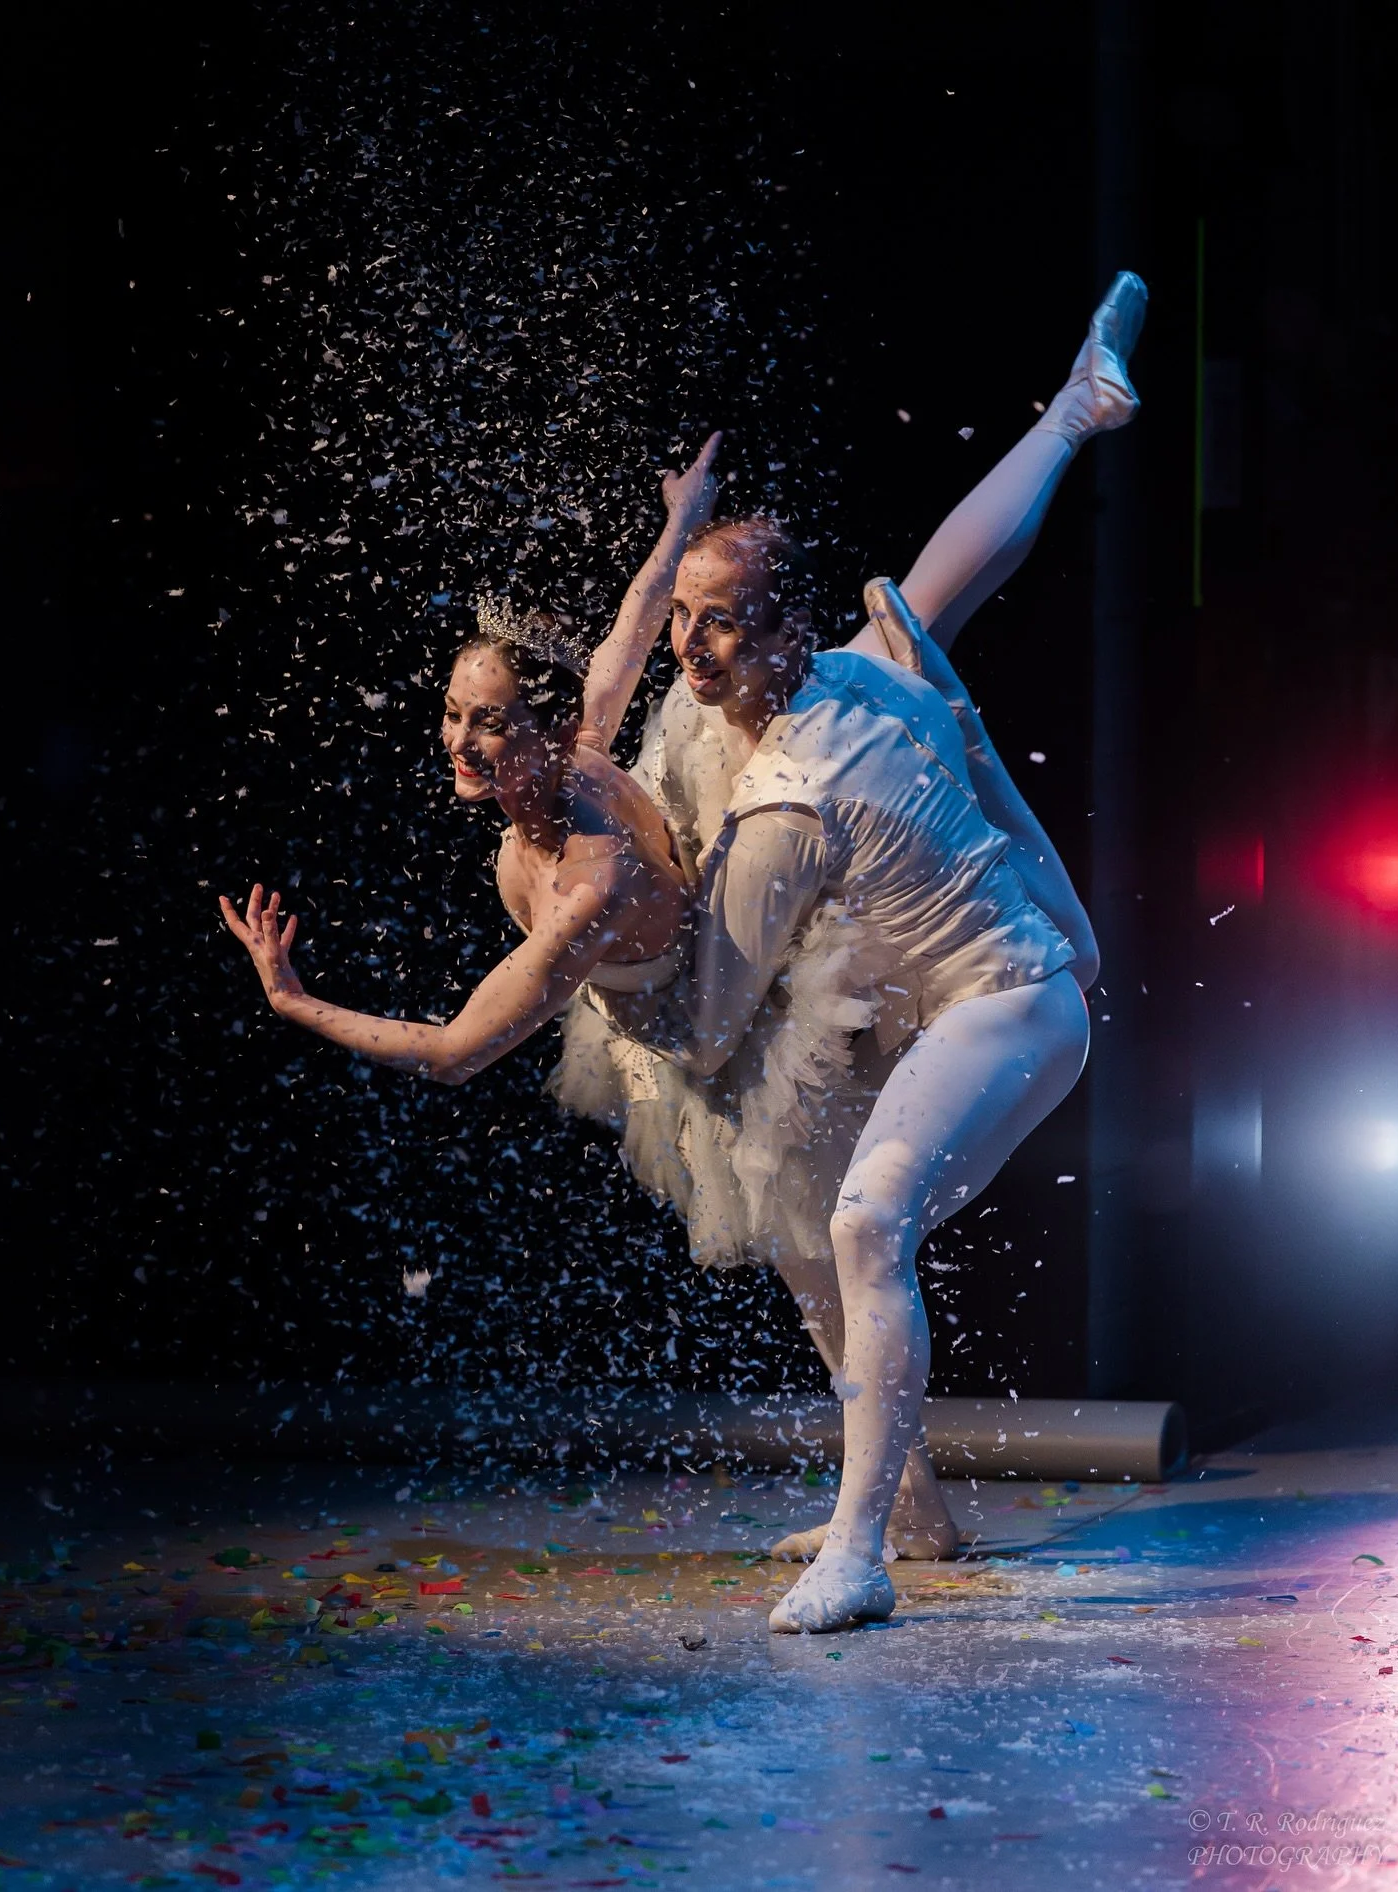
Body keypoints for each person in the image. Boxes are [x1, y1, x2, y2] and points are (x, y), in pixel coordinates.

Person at [563, 274, 1148, 1630]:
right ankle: (918, 1509)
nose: (689, 654)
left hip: (1012, 1004)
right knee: (798, 1219)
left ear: (777, 636)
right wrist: (1062, 426)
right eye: (685, 622)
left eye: (718, 626)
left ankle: (865, 1554)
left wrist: (594, 955)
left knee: (862, 1219)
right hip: (962, 976)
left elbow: (707, 1021)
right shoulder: (856, 659)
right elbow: (968, 556)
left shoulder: (788, 804)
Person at [219, 434, 725, 1086]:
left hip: (703, 1026)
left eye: (489, 723)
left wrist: (294, 1001)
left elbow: (454, 1055)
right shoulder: (571, 754)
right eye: (453, 713)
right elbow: (639, 618)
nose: (457, 742)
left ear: (554, 733)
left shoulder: (593, 884)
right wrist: (682, 520)